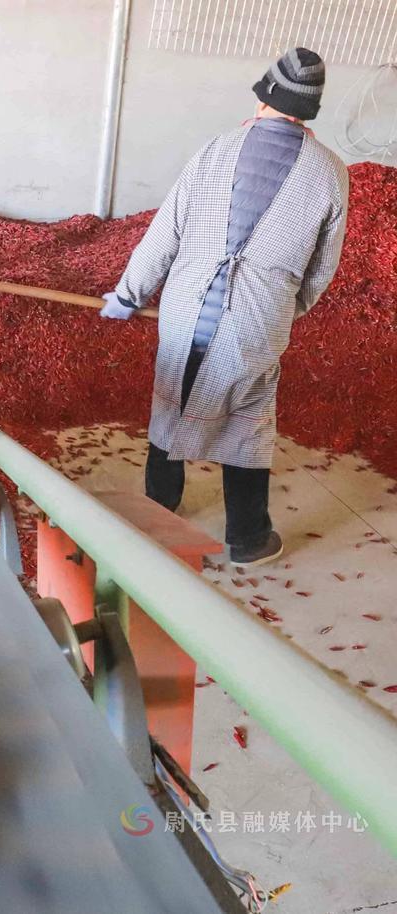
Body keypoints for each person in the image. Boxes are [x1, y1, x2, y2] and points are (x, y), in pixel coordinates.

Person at [101, 48, 349, 566]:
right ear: (308, 110)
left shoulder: (217, 149)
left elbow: (164, 232)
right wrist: (283, 308)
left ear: (263, 97)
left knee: (171, 394)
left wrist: (128, 294)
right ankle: (248, 537)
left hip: (187, 308)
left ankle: (160, 507)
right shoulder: (330, 173)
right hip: (256, 323)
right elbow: (321, 270)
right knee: (248, 417)